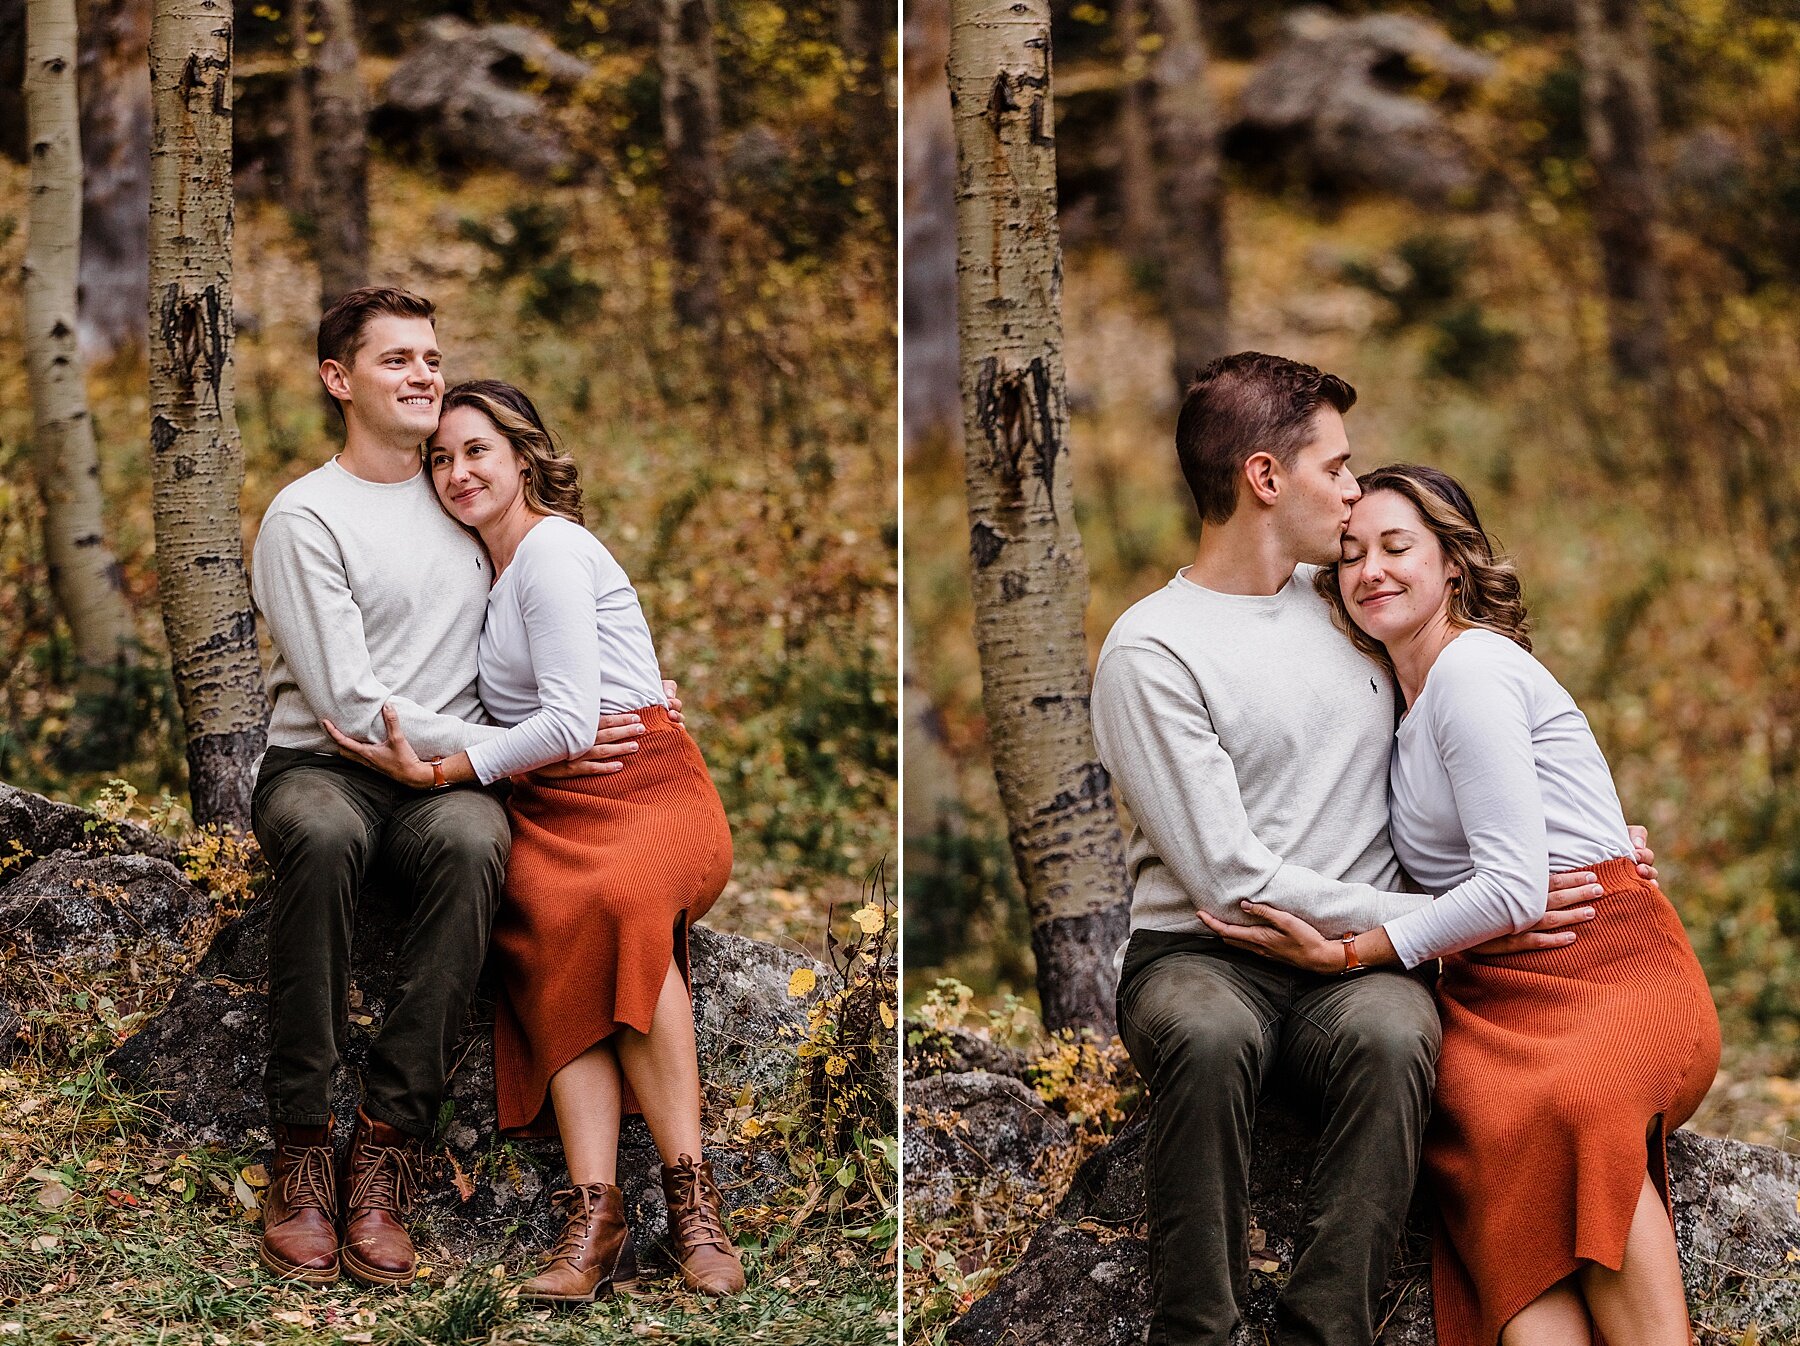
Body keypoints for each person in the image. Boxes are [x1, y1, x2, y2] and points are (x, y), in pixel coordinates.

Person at [1089, 352, 1655, 1346]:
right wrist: (1482, 907)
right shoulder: (1154, 647)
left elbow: (1476, 727)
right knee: (1210, 1037)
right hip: (1209, 949)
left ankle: (1326, 1326)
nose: (1354, 492)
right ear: (1267, 477)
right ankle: (1197, 1328)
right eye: (1337, 467)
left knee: (1397, 1036)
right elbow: (1229, 876)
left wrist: (1581, 840)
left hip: (1356, 970)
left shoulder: (1348, 598)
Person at [1200, 462, 1719, 1346]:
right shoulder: (1398, 704)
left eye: (1399, 547)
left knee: (1577, 1108)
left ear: (1454, 563)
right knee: (1480, 1133)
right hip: (1493, 991)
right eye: (1353, 554)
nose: (1372, 572)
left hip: (1605, 968)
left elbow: (1516, 886)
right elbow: (1496, 866)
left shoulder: (1472, 672)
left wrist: (1353, 953)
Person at [250, 288, 657, 1289]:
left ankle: (388, 1145)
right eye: (396, 360)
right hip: (330, 765)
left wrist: (629, 693)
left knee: (479, 843)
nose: (425, 375)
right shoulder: (306, 516)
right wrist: (532, 746)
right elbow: (351, 699)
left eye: (432, 357)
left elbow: (549, 618)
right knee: (322, 834)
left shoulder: (460, 495)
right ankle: (304, 1145)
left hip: (442, 784)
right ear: (337, 380)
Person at [324, 379, 744, 1303]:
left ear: (523, 456)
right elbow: (540, 723)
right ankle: (594, 1221)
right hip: (553, 803)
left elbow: (564, 723)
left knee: (622, 905)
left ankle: (692, 1207)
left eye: (478, 451)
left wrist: (438, 775)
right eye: (440, 458)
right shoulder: (487, 574)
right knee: (546, 919)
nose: (457, 471)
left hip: (646, 791)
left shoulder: (552, 549)